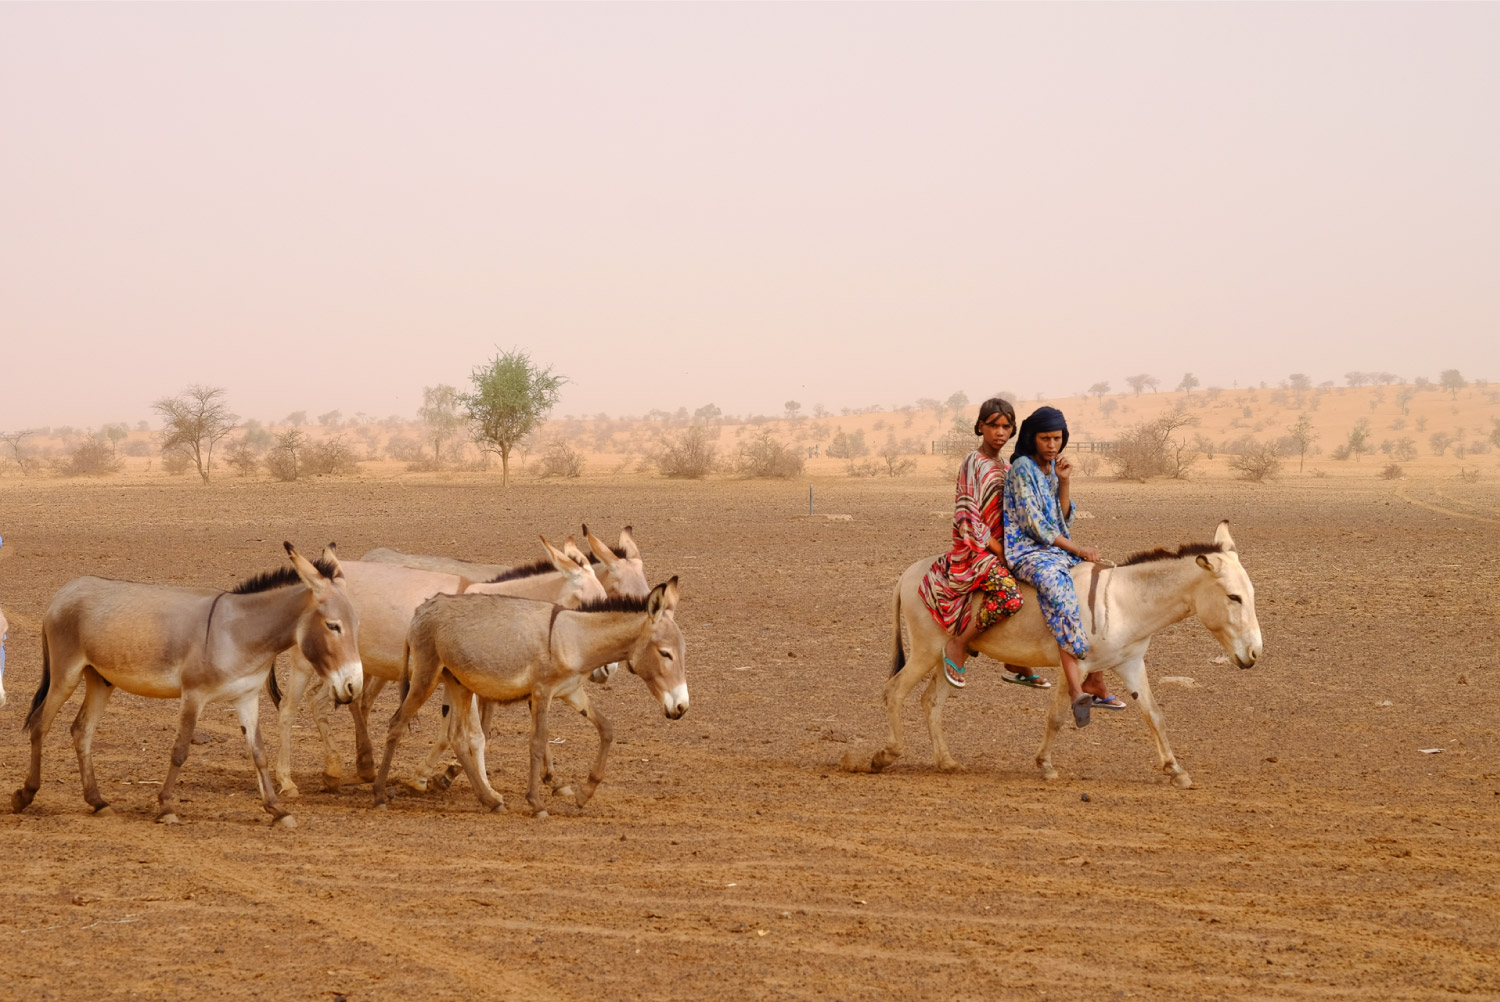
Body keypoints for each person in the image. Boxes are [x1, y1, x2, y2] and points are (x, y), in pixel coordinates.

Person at [1003, 406, 1126, 727]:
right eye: (1045, 438)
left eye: (1057, 438)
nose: (1052, 445)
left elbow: (1063, 517)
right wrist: (1079, 549)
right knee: (1060, 590)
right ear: (1032, 438)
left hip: (1053, 550)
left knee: (1095, 583)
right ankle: (1076, 689)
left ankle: (1095, 677)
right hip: (1027, 552)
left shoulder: (1049, 469)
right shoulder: (1022, 469)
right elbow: (1037, 526)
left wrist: (1064, 481)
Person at [917, 398, 1031, 689]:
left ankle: (1016, 659)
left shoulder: (1007, 465)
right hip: (975, 551)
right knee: (1010, 597)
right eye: (993, 425)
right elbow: (968, 518)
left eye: (1006, 426)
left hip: (1005, 548)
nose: (1000, 432)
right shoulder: (973, 462)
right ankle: (959, 644)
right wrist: (999, 551)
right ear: (981, 427)